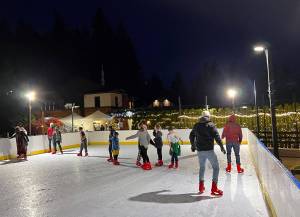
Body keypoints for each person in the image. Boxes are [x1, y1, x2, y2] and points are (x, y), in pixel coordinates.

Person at [189, 111, 226, 196]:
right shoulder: (211, 125)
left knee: (202, 167)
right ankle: (214, 188)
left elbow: (191, 136)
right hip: (209, 150)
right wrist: (221, 147)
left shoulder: (196, 125)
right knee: (216, 167)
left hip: (200, 151)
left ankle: (201, 187)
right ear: (208, 117)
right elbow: (217, 137)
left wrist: (193, 145)